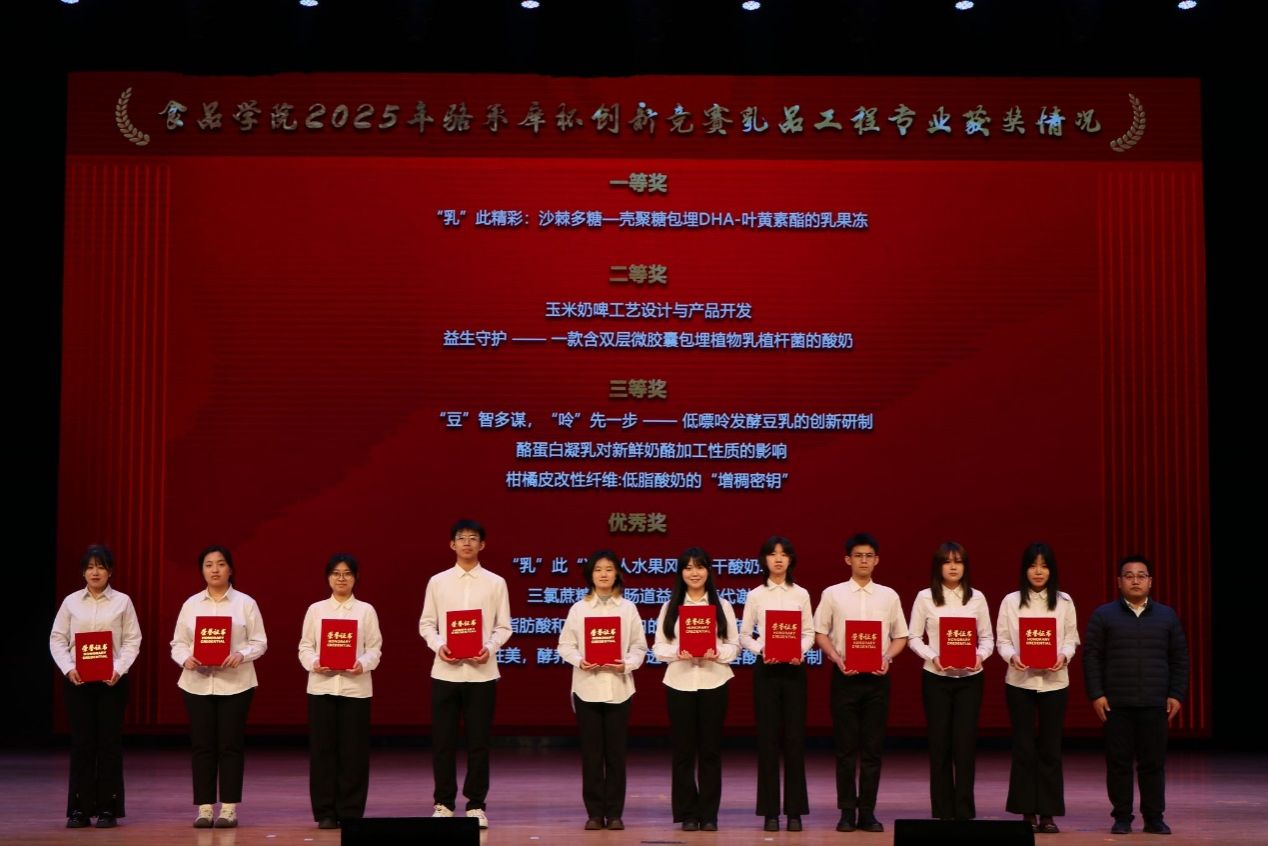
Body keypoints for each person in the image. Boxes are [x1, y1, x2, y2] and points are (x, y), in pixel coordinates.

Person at [1083, 555, 1189, 836]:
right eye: (1128, 576)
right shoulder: (1103, 615)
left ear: (1150, 582)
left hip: (1155, 703)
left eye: (1141, 575)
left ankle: (1154, 818)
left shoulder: (1167, 616)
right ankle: (1122, 817)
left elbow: (1180, 658)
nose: (1135, 580)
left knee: (1153, 764)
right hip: (1116, 704)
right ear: (1119, 582)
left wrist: (1176, 694)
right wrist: (1096, 694)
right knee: (1118, 764)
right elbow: (1091, 658)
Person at [419, 519, 512, 830]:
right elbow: (426, 623)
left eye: (473, 538)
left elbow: (504, 626)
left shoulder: (495, 582)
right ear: (452, 544)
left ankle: (476, 805)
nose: (467, 543)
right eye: (461, 538)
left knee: (479, 743)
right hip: (445, 672)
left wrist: (489, 647)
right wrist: (439, 645)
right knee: (443, 742)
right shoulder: (438, 582)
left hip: (482, 673)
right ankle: (443, 803)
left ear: (482, 545)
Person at [813, 532, 908, 834]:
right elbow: (820, 632)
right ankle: (846, 811)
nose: (863, 561)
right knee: (845, 749)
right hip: (845, 678)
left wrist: (887, 657)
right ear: (847, 560)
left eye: (869, 556)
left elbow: (901, 636)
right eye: (858, 556)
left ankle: (867, 812)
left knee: (872, 749)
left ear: (877, 560)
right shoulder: (833, 594)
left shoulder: (889, 596)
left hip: (877, 681)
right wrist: (835, 657)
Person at [170, 545, 268, 828]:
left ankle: (228, 808)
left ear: (230, 569)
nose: (215, 569)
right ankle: (204, 808)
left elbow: (260, 642)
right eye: (209, 564)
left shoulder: (245, 603)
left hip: (236, 684)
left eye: (221, 563)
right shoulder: (191, 605)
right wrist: (185, 659)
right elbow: (178, 643)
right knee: (202, 746)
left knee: (230, 745)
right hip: (197, 684)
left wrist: (241, 654)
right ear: (202, 570)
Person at [49, 544, 142, 829]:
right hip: (78, 682)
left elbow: (132, 640)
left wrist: (118, 669)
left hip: (111, 682)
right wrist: (69, 668)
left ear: (110, 571)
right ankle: (79, 808)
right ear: (83, 572)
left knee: (109, 745)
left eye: (101, 566)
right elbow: (57, 638)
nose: (95, 572)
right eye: (90, 567)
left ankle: (108, 808)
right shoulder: (71, 602)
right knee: (82, 745)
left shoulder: (123, 602)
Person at [556, 549, 648, 831]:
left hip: (619, 688)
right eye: (598, 570)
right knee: (592, 755)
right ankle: (595, 813)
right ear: (590, 575)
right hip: (587, 688)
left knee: (616, 755)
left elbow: (639, 647)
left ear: (617, 573)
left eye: (609, 569)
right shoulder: (579, 608)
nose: (604, 574)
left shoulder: (628, 608)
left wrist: (626, 664)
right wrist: (580, 660)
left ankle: (615, 813)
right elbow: (565, 646)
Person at [653, 547, 739, 832]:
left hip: (714, 681)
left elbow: (734, 646)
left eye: (699, 567)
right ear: (681, 573)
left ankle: (709, 814)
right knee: (683, 752)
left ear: (708, 571)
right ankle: (688, 813)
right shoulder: (670, 606)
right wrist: (678, 651)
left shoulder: (722, 606)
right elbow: (658, 648)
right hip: (679, 682)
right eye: (688, 567)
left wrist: (718, 653)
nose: (694, 573)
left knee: (710, 751)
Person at [996, 542, 1080, 835]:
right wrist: (1012, 657)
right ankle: (1026, 812)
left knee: (1050, 748)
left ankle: (1048, 813)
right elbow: (1002, 640)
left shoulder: (1064, 601)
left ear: (1051, 570)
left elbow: (1071, 639)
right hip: (1019, 682)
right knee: (1023, 747)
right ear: (1025, 570)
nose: (1038, 571)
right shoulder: (1010, 601)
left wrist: (1063, 656)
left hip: (1055, 683)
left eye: (1044, 566)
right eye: (1033, 565)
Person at [907, 541, 994, 821]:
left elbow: (987, 639)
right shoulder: (925, 597)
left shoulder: (977, 598)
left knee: (965, 746)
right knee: (939, 745)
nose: (953, 567)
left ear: (965, 566)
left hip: (970, 680)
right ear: (938, 566)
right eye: (947, 561)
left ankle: (964, 810)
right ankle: (943, 811)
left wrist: (980, 656)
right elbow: (913, 637)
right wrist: (933, 657)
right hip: (936, 678)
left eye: (958, 561)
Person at [298, 553, 383, 830]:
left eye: (347, 573)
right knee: (322, 751)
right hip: (321, 688)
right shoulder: (316, 610)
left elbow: (374, 649)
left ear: (355, 578)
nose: (341, 578)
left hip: (355, 689)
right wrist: (314, 662)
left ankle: (351, 812)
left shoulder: (366, 611)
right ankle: (325, 811)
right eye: (336, 573)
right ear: (328, 578)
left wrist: (362, 664)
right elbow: (305, 647)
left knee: (353, 753)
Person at [738, 536, 814, 832]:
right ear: (764, 560)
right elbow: (745, 635)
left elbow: (808, 632)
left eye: (784, 554)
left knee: (794, 741)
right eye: (772, 554)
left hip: (794, 670)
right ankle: (770, 812)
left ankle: (795, 812)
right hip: (766, 671)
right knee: (767, 741)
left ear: (791, 559)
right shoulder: (756, 595)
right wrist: (762, 649)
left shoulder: (801, 593)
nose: (778, 559)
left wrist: (799, 650)